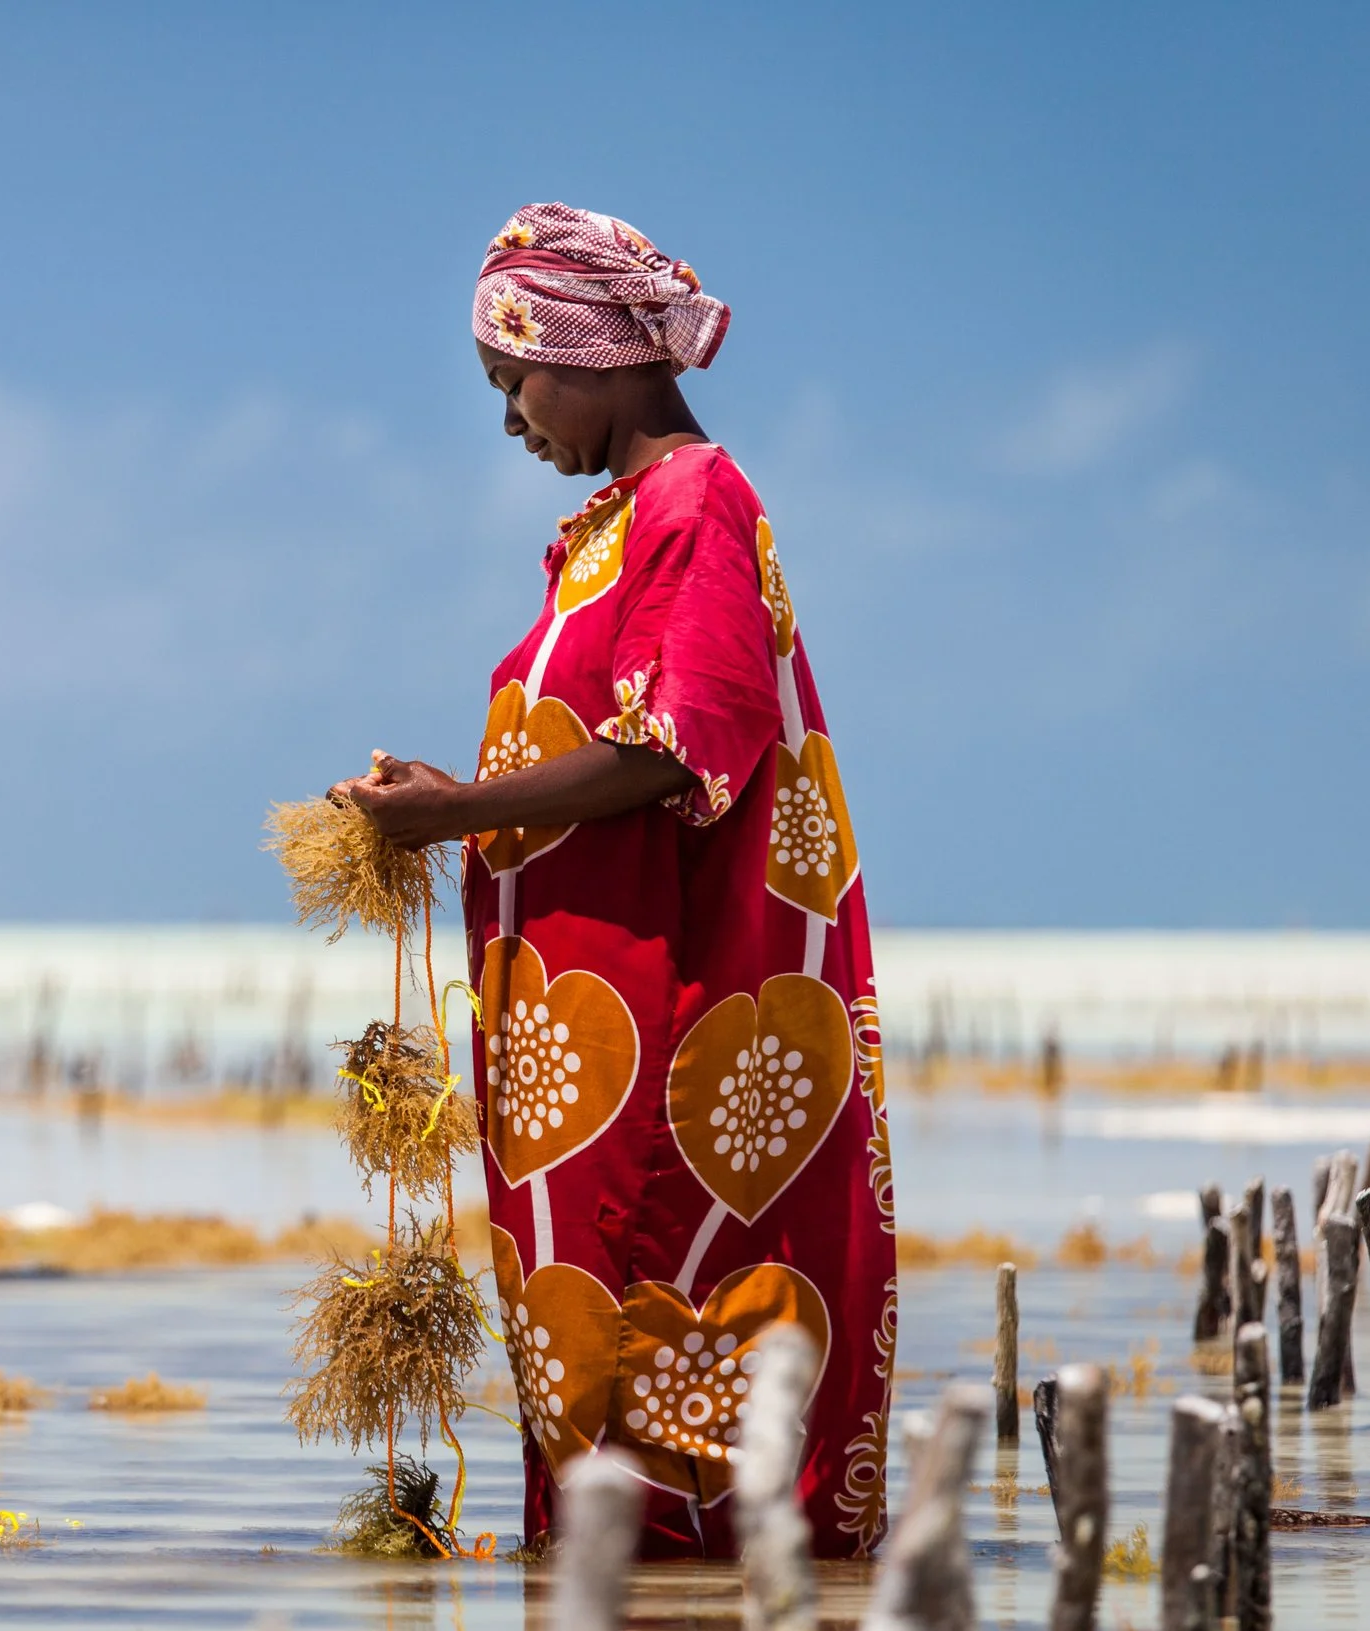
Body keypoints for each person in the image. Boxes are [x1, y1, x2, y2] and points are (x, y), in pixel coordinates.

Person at [337, 205, 894, 1559]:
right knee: (591, 1344)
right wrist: (457, 792)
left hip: (672, 1017)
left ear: (590, 353)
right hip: (588, 1032)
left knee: (664, 1320)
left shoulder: (696, 503)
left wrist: (460, 809)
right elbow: (601, 738)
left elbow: (675, 745)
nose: (512, 419)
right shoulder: (617, 523)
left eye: (511, 380)